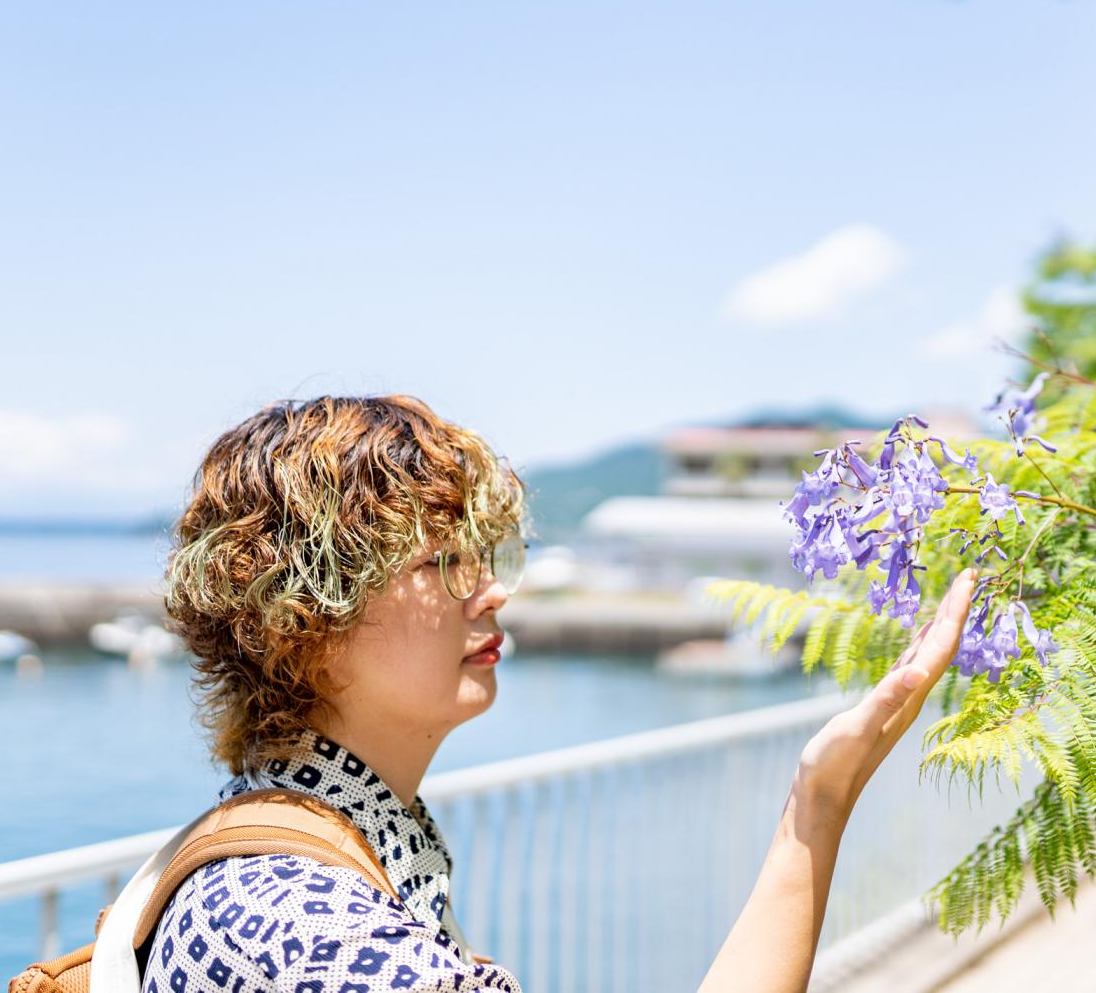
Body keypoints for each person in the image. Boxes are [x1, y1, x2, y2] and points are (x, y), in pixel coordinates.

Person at [144, 394, 975, 993]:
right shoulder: (314, 933)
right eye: (442, 561)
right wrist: (818, 808)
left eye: (486, 553)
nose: (492, 590)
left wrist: (816, 800)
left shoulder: (275, 856)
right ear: (303, 616)